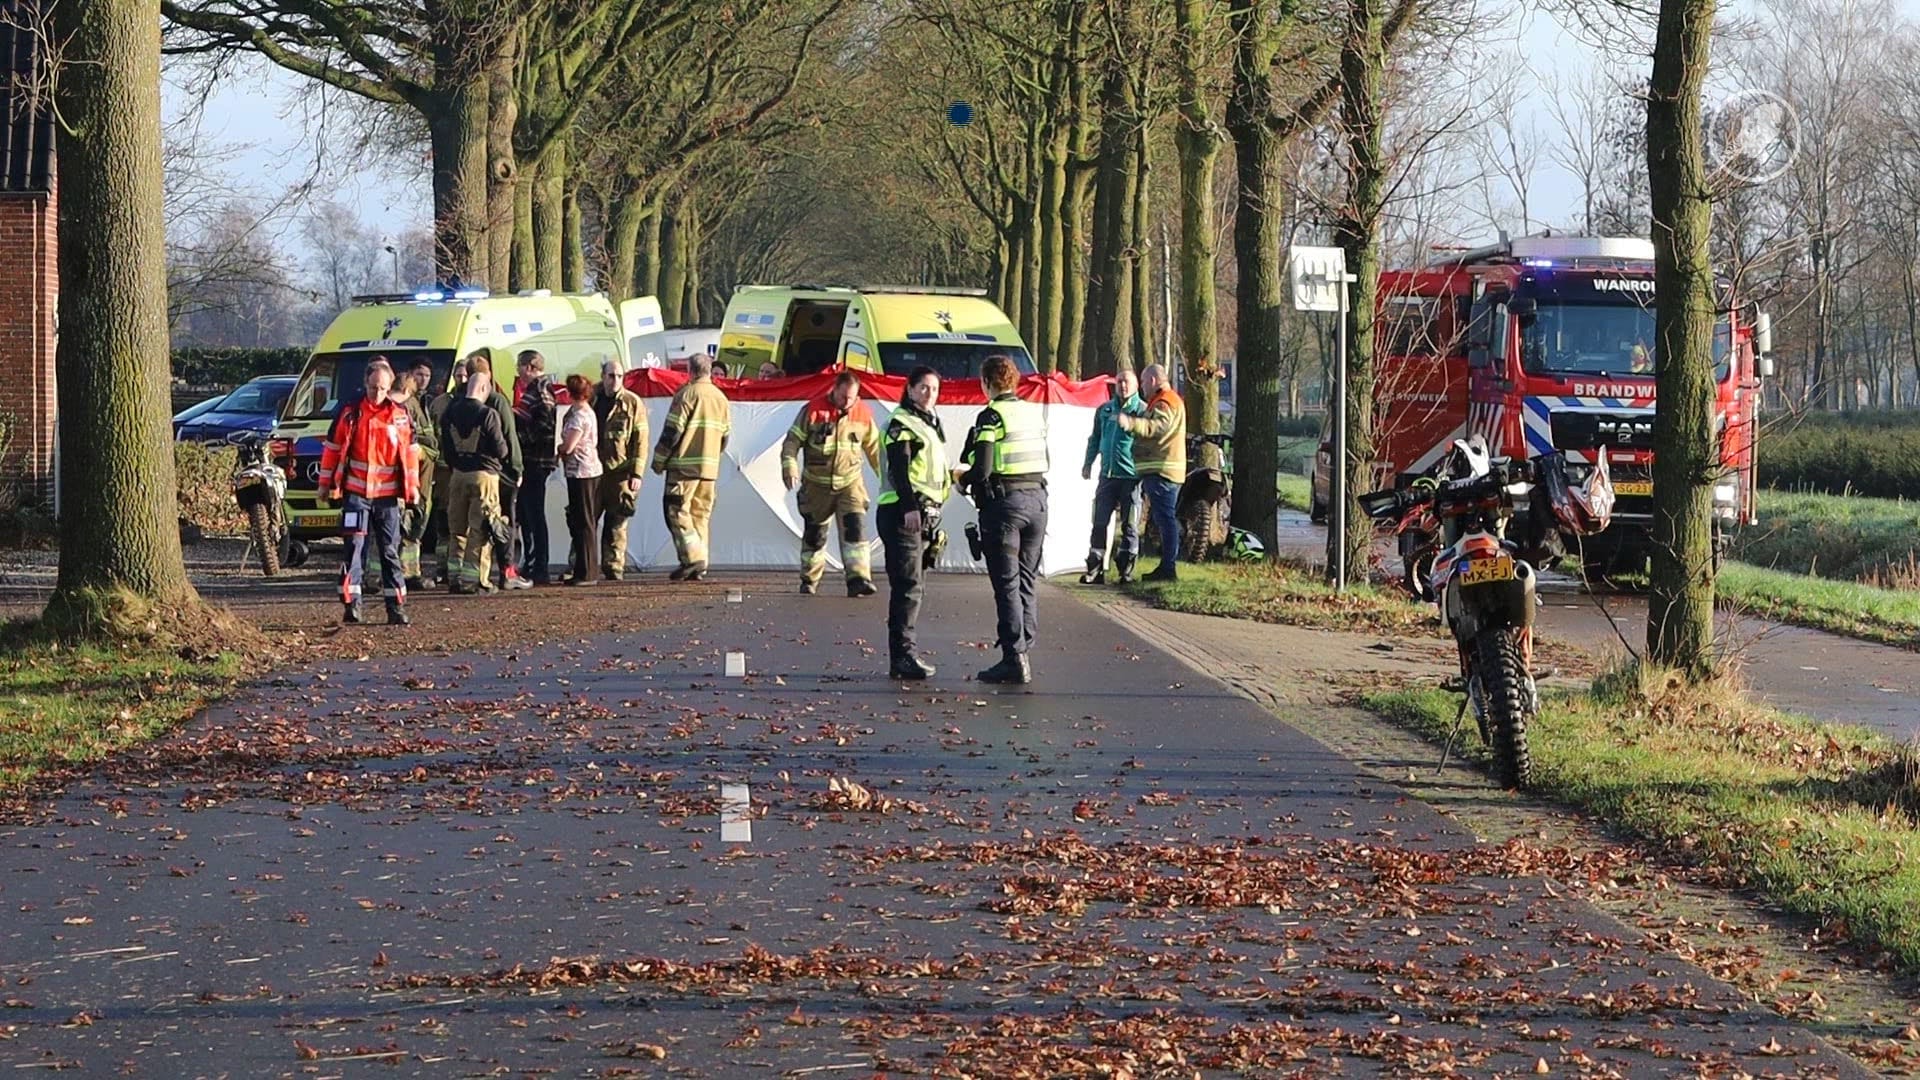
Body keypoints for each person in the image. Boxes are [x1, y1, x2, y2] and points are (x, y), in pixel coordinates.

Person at [958, 354, 1048, 685]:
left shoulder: (991, 416)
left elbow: (981, 468)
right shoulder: (1032, 413)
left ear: (986, 383)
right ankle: (1025, 645)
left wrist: (962, 481)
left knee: (1006, 583)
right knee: (1026, 579)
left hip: (1005, 505)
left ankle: (1014, 658)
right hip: (1038, 501)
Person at [318, 358, 421, 626]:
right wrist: (324, 487)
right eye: (374, 387)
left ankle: (396, 607)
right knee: (354, 549)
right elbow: (332, 450)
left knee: (389, 551)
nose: (378, 394)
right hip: (356, 494)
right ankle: (352, 606)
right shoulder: (350, 413)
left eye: (384, 389)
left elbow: (410, 456)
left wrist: (413, 491)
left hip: (386, 499)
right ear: (366, 383)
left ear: (390, 387)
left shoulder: (400, 416)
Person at [876, 367, 949, 680]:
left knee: (914, 586)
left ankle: (905, 653)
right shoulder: (901, 423)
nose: (929, 394)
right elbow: (900, 469)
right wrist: (910, 507)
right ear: (909, 388)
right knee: (907, 587)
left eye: (934, 389)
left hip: (924, 513)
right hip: (903, 512)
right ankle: (902, 656)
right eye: (923, 388)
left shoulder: (929, 424)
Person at [781, 370, 882, 596]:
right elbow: (792, 441)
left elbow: (875, 450)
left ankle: (858, 578)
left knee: (855, 529)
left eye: (851, 398)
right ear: (834, 391)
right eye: (842, 397)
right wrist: (789, 465)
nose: (846, 402)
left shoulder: (862, 414)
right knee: (815, 536)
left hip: (850, 484)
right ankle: (809, 579)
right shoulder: (813, 411)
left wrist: (888, 479)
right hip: (817, 486)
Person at [649, 352, 732, 581]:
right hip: (709, 470)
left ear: (691, 371)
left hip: (683, 469)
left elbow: (672, 433)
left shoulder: (686, 395)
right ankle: (698, 565)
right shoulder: (721, 398)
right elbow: (725, 436)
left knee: (676, 513)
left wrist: (658, 460)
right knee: (700, 517)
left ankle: (694, 558)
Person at [440, 369, 510, 594]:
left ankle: (454, 577)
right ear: (483, 389)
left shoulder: (450, 412)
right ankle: (474, 581)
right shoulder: (487, 414)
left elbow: (446, 447)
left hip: (457, 475)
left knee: (457, 530)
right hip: (484, 476)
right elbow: (501, 448)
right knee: (480, 530)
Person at [1118, 363, 1187, 582]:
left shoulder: (1165, 402)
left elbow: (1158, 427)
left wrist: (1131, 423)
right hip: (1162, 470)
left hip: (1162, 471)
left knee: (1165, 519)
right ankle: (1167, 566)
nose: (1143, 389)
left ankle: (1168, 568)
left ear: (1153, 381)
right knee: (1164, 518)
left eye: (1144, 382)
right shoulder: (1168, 400)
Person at [468, 350, 526, 590]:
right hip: (500, 472)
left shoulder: (460, 401)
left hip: (470, 470)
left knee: (477, 525)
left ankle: (477, 573)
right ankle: (508, 571)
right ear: (488, 376)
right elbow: (509, 437)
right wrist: (517, 468)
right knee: (505, 522)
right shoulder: (497, 401)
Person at [1081, 368, 1145, 585]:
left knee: (1130, 525)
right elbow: (1095, 437)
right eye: (1119, 382)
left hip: (1131, 477)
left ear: (1136, 386)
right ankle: (1095, 569)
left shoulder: (1143, 411)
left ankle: (1126, 570)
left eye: (1127, 382)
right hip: (1107, 476)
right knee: (1099, 522)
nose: (1123, 386)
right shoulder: (1105, 409)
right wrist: (1088, 462)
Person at [594, 356, 649, 579]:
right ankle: (579, 564)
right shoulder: (592, 398)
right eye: (610, 376)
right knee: (585, 520)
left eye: (619, 376)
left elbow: (641, 440)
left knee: (617, 523)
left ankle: (614, 567)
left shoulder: (633, 403)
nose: (615, 380)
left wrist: (636, 473)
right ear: (603, 376)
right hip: (593, 472)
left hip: (620, 474)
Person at [393, 360, 440, 590]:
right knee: (410, 525)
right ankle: (407, 573)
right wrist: (424, 452)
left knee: (407, 526)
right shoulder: (406, 406)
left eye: (427, 375)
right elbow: (419, 444)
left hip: (416, 477)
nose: (423, 380)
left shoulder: (419, 403)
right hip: (412, 479)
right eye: (419, 375)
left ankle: (400, 572)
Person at [514, 350, 559, 585]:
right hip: (534, 460)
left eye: (519, 367)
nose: (517, 372)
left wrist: (522, 436)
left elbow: (545, 424)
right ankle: (533, 563)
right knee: (529, 515)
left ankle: (540, 566)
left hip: (536, 460)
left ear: (530, 366)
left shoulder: (540, 389)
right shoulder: (535, 389)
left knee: (535, 515)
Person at [559, 374, 604, 585]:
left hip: (581, 472)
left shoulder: (578, 417)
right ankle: (583, 569)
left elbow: (569, 446)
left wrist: (559, 448)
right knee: (582, 520)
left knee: (584, 521)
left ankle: (587, 572)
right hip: (588, 470)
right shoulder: (587, 412)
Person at [424, 360, 466, 585]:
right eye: (458, 376)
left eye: (466, 376)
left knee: (460, 523)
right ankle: (443, 568)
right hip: (441, 471)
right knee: (443, 524)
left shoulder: (476, 403)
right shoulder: (439, 404)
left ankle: (457, 571)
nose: (462, 380)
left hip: (462, 470)